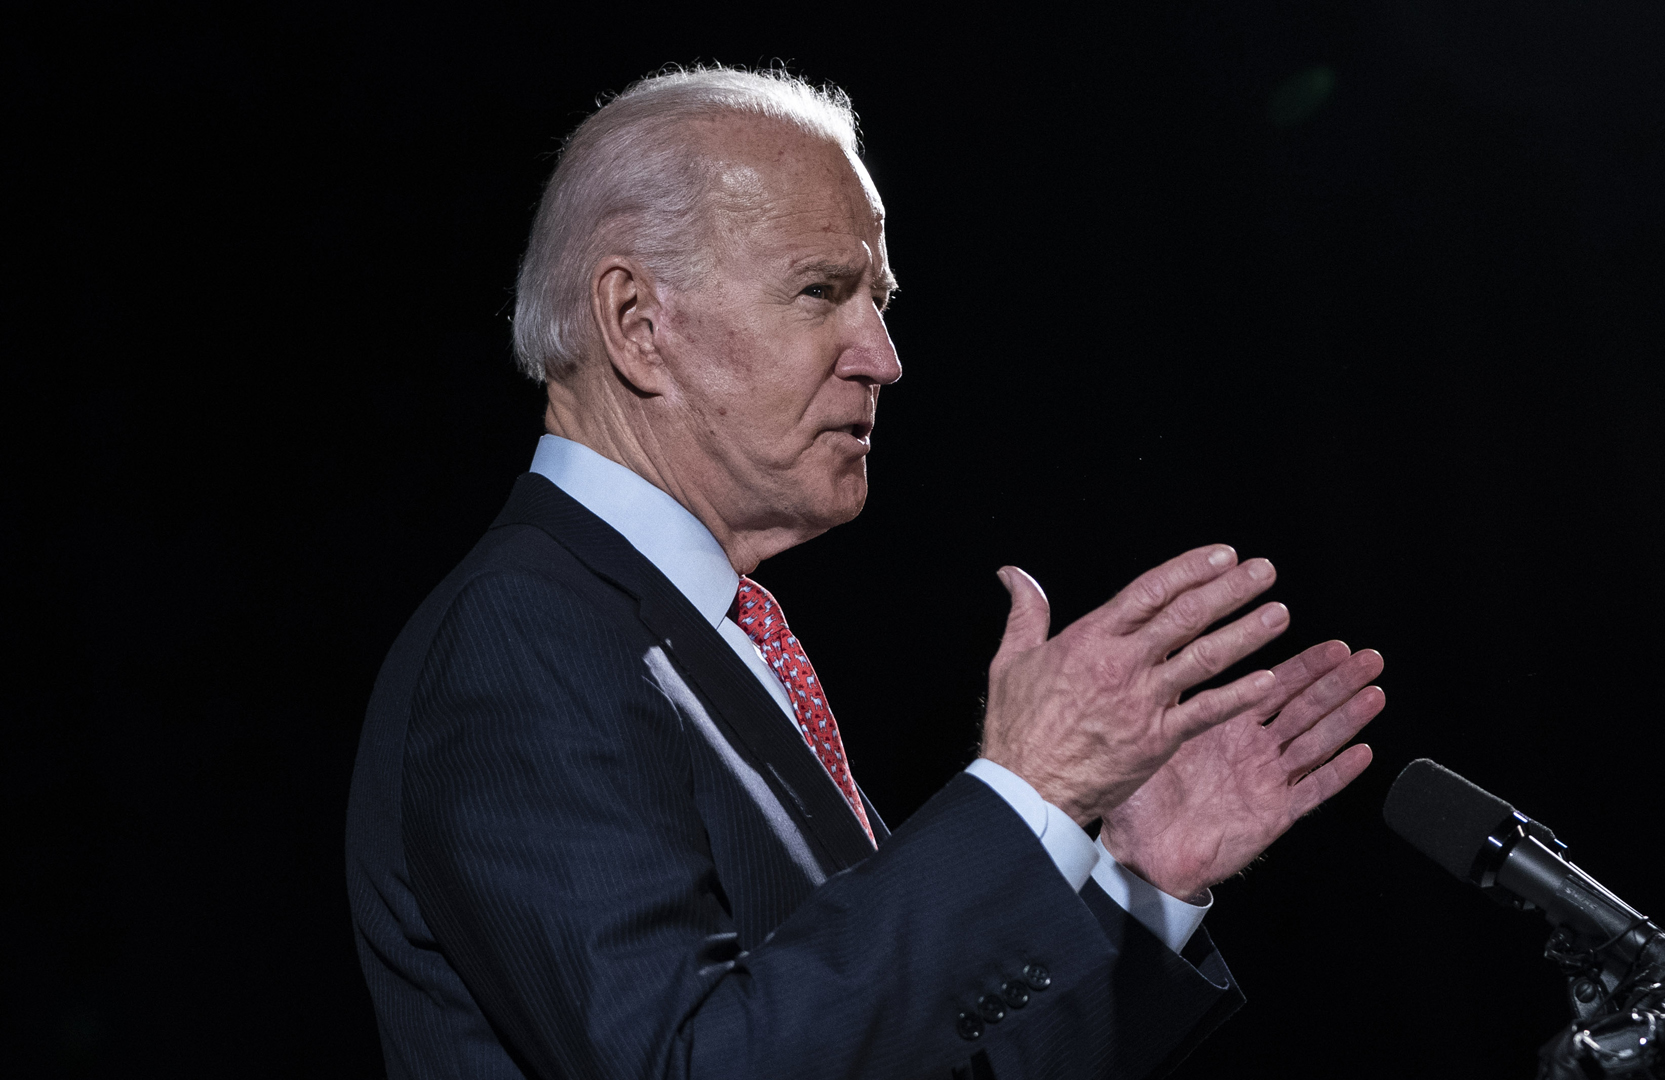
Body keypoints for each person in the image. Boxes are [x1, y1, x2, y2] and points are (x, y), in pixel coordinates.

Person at [346, 67, 1386, 1080]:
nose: (882, 356)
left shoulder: (712, 631)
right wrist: (1029, 791)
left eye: (877, 298)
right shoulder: (522, 638)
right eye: (821, 291)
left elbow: (892, 1049)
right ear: (635, 324)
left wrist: (1137, 881)